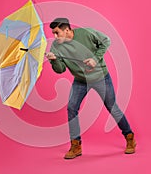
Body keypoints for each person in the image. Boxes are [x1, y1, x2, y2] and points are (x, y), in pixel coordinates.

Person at [46, 18, 136, 159]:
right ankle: (76, 145)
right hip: (81, 81)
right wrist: (54, 60)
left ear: (67, 30)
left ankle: (129, 137)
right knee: (71, 108)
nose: (55, 37)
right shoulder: (56, 47)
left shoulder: (86, 33)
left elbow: (106, 41)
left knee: (112, 107)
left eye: (57, 33)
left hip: (101, 77)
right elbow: (60, 70)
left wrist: (95, 58)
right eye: (53, 33)